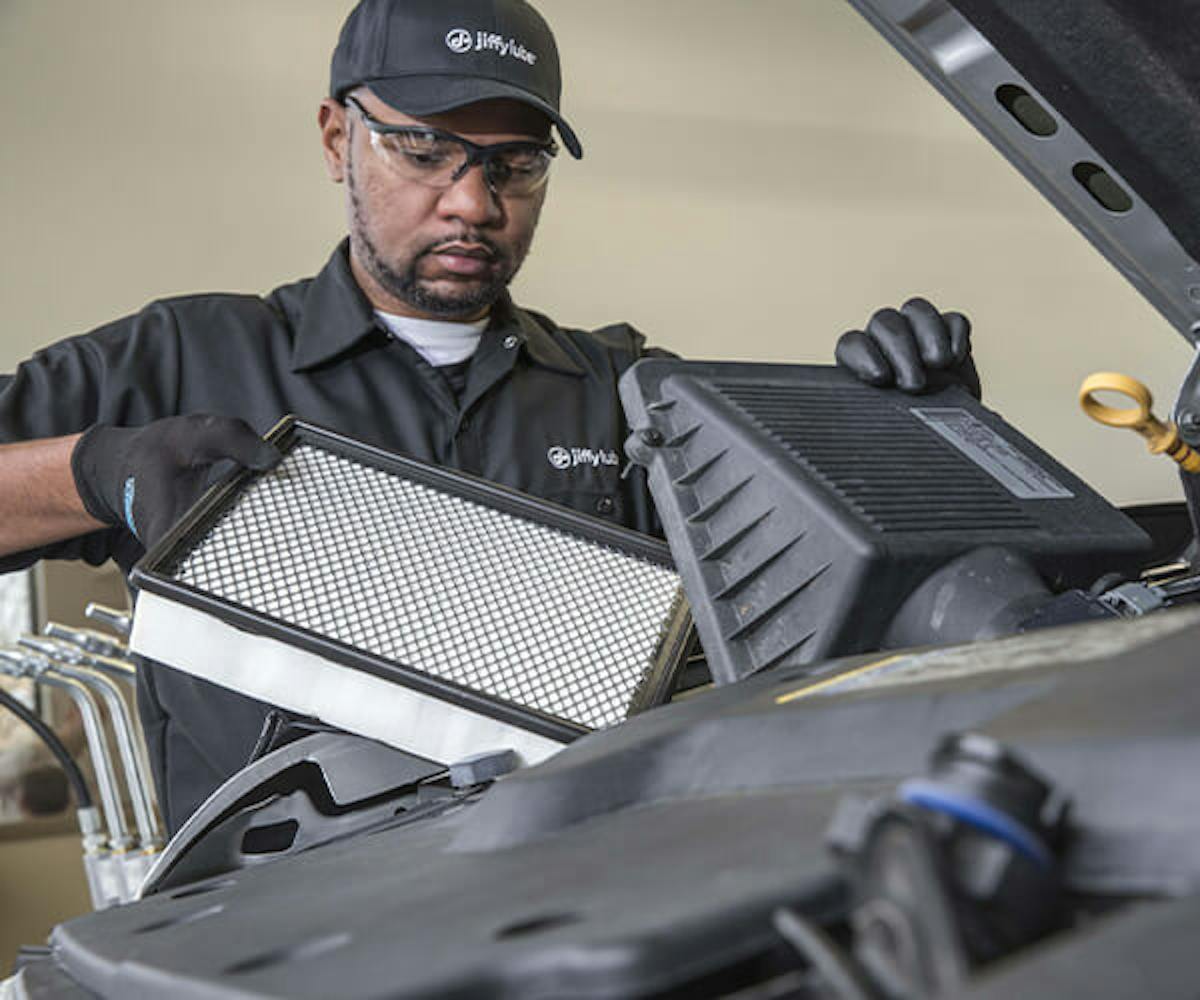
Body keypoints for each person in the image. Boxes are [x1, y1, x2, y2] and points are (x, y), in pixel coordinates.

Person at [0, 0, 979, 832]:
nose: (473, 201)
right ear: (339, 136)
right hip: (267, 932)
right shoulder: (183, 356)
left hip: (565, 893)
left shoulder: (625, 387)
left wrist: (925, 441)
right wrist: (94, 471)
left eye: (516, 164)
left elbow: (823, 613)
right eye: (425, 150)